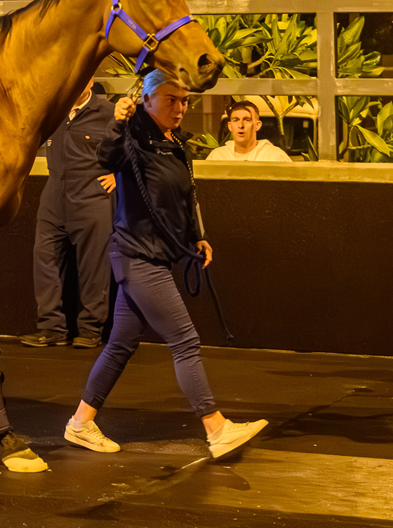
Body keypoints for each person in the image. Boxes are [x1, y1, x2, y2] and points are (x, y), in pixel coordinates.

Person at [62, 69, 268, 459]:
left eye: (185, 101)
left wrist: (197, 236)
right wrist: (117, 121)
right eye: (171, 100)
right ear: (148, 100)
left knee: (121, 344)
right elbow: (105, 157)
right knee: (185, 341)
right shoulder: (133, 136)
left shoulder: (174, 143)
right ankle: (216, 428)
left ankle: (80, 423)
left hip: (155, 254)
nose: (180, 108)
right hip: (137, 257)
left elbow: (184, 195)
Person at [21, 80, 116, 350]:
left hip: (91, 196)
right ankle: (51, 328)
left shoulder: (108, 112)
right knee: (45, 261)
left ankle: (90, 330)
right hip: (54, 195)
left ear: (92, 82)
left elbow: (137, 150)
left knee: (94, 268)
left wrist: (119, 176)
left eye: (83, 78)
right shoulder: (53, 110)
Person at [205, 100, 292, 162]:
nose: (241, 125)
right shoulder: (217, 157)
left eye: (247, 120)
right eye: (236, 120)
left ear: (257, 125)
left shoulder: (275, 156)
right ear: (230, 126)